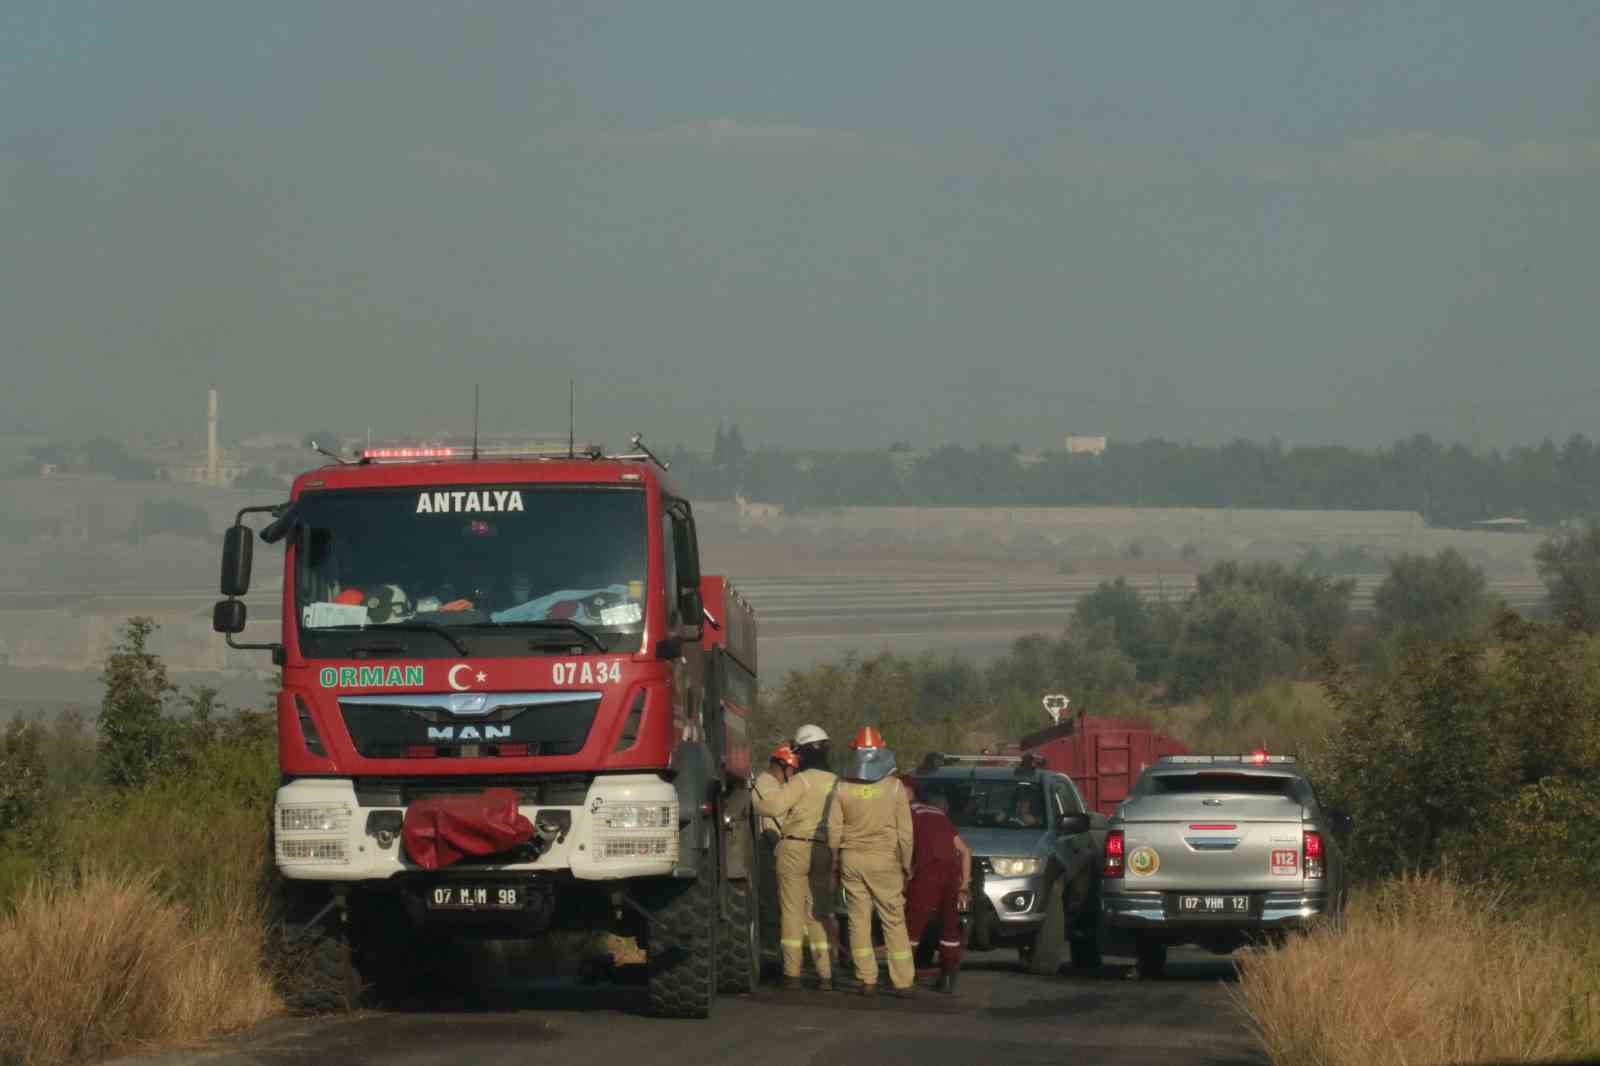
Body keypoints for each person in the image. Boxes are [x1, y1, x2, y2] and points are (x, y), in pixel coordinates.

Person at [827, 726, 916, 998]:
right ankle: (902, 982)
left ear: (855, 751)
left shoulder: (841, 787)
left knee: (858, 921)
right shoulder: (895, 788)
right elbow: (906, 833)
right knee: (893, 920)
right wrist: (906, 863)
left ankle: (867, 979)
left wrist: (835, 860)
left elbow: (833, 829)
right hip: (884, 861)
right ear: (882, 751)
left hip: (852, 859)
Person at [752, 726, 837, 991]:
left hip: (794, 849)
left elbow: (774, 807)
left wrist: (753, 797)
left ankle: (792, 974)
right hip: (823, 851)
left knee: (791, 912)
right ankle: (826, 975)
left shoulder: (802, 781)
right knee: (818, 912)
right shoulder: (837, 782)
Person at [900, 775, 972, 994]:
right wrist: (964, 885)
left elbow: (903, 846)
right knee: (950, 926)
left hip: (927, 873)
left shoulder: (908, 814)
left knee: (912, 928)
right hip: (951, 874)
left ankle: (903, 977)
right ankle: (948, 978)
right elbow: (965, 851)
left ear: (908, 791)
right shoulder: (939, 813)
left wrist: (904, 875)